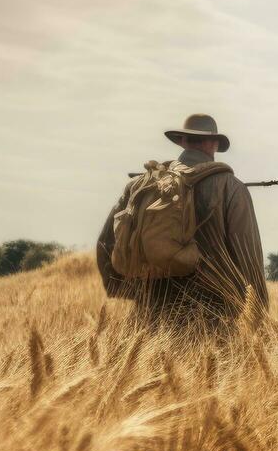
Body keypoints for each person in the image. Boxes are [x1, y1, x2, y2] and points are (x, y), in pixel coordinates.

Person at [96, 113, 267, 328]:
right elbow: (248, 254)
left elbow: (106, 244)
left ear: (182, 140)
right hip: (210, 321)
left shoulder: (141, 186)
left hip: (148, 318)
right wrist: (259, 314)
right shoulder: (231, 188)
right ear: (214, 143)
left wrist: (128, 291)